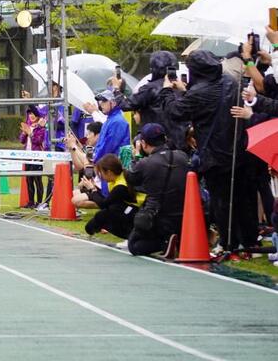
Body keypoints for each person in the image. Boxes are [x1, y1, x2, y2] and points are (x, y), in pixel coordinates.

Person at [159, 49, 257, 252]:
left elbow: (175, 112)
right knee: (243, 198)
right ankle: (249, 241)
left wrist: (168, 91)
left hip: (213, 153)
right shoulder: (230, 82)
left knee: (221, 201)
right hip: (239, 149)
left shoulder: (199, 92)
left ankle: (228, 242)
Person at [124, 123, 190, 257]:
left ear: (143, 143)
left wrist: (136, 156)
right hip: (183, 214)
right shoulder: (182, 156)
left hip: (157, 215)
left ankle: (165, 243)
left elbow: (131, 178)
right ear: (164, 138)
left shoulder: (145, 163)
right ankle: (174, 239)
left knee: (134, 245)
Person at [80, 154, 144, 240]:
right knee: (105, 213)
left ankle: (130, 236)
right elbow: (107, 200)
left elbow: (103, 204)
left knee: (108, 213)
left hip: (139, 211)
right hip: (130, 208)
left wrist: (92, 189)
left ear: (109, 172)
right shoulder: (118, 177)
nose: (100, 176)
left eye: (101, 173)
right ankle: (93, 228)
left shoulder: (120, 186)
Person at [19, 105, 47, 208]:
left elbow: (38, 140)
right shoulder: (28, 126)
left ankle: (39, 202)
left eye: (34, 113)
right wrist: (24, 133)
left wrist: (30, 133)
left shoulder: (42, 127)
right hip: (28, 157)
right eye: (30, 113)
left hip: (37, 157)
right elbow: (21, 141)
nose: (31, 116)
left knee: (37, 179)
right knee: (29, 180)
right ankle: (31, 201)